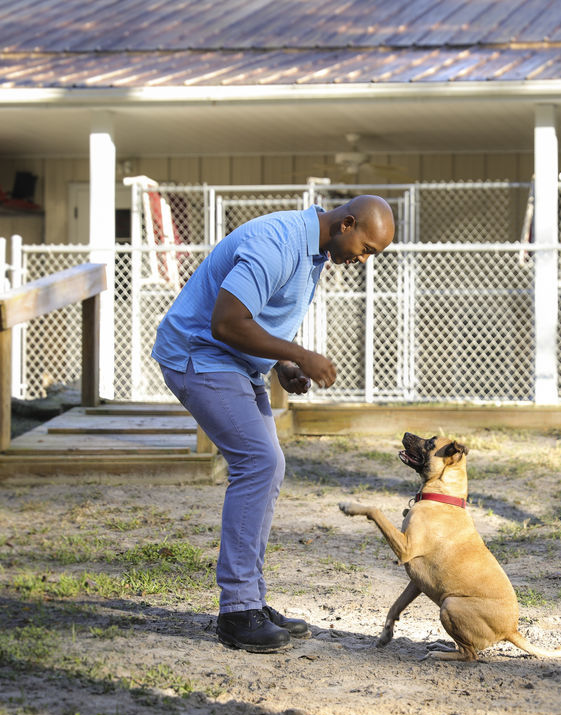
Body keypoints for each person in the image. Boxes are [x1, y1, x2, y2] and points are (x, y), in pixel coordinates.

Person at [151, 195, 395, 653]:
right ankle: (237, 612)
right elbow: (226, 323)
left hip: (232, 362)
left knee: (268, 466)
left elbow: (254, 317)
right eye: (366, 249)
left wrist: (280, 362)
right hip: (198, 355)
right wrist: (299, 353)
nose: (363, 261)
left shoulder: (314, 249)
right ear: (346, 224)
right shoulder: (278, 242)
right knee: (259, 463)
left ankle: (251, 602)